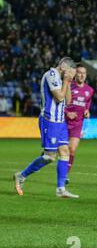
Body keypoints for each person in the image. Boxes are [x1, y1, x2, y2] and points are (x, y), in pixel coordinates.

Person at [13, 57, 79, 198]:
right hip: (50, 121)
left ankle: (60, 189)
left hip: (60, 122)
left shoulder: (62, 79)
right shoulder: (51, 75)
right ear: (63, 67)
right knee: (49, 156)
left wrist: (68, 81)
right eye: (69, 72)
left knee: (65, 152)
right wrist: (66, 81)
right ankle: (21, 175)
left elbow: (68, 100)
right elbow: (59, 97)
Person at [64, 63, 94, 183]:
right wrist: (67, 113)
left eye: (84, 73)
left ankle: (64, 175)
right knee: (53, 151)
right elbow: (59, 102)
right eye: (79, 72)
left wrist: (87, 110)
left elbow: (87, 103)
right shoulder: (68, 86)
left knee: (72, 149)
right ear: (75, 74)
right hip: (63, 122)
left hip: (77, 124)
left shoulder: (90, 90)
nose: (81, 75)